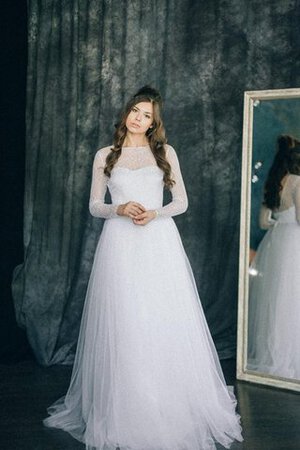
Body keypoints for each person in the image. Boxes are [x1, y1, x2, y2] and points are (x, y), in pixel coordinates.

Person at [43, 86, 243, 450]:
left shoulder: (165, 152)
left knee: (160, 319)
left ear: (154, 122)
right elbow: (94, 205)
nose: (138, 118)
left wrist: (154, 212)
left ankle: (166, 402)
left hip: (158, 243)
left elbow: (181, 201)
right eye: (135, 111)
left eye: (146, 114)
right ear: (126, 113)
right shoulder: (105, 154)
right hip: (118, 247)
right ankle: (125, 406)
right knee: (125, 321)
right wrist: (118, 209)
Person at [248, 135, 300, 379]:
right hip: (293, 240)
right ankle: (288, 353)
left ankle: (271, 352)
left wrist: (279, 226)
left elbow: (262, 222)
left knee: (275, 297)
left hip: (275, 241)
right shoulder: (298, 182)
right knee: (291, 296)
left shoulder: (272, 182)